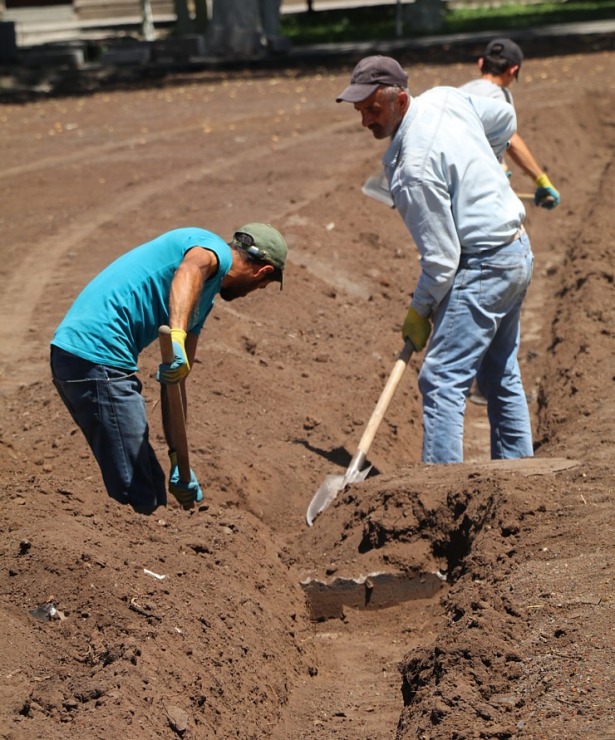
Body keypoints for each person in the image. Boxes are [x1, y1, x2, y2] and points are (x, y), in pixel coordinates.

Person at [336, 55, 534, 464]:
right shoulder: (446, 97)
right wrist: (486, 163)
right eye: (361, 112)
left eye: (373, 110)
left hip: (484, 267)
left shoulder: (414, 171)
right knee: (499, 372)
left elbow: (443, 259)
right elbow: (504, 120)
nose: (365, 122)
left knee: (442, 377)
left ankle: (439, 492)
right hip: (516, 250)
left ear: (401, 101)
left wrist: (419, 308)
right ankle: (519, 474)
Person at [50, 223, 287, 513]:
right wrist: (177, 334)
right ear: (262, 273)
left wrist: (179, 458)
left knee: (151, 481)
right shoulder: (211, 251)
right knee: (138, 493)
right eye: (263, 285)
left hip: (87, 360)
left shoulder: (200, 300)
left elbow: (176, 383)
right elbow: (190, 270)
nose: (257, 290)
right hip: (95, 358)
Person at [459, 38, 560, 209]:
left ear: (481, 63)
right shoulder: (499, 96)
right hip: (478, 191)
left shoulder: (459, 92)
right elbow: (511, 140)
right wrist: (541, 180)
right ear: (513, 70)